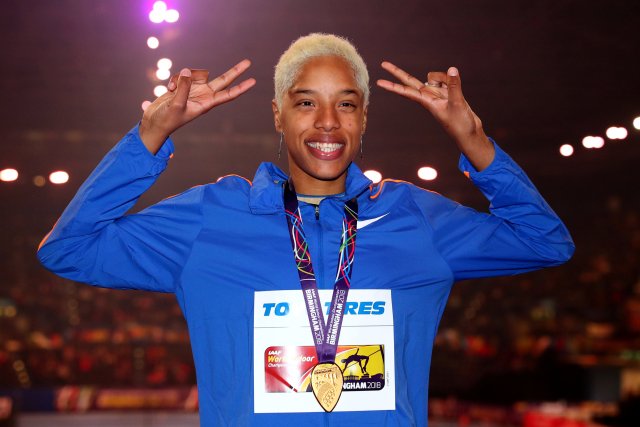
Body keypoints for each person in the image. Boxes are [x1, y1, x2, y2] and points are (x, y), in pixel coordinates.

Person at [37, 33, 574, 426]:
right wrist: (149, 137)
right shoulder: (211, 218)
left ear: (364, 119)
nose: (326, 122)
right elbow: (68, 250)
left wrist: (475, 142)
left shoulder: (417, 220)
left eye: (346, 104)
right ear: (277, 115)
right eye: (305, 103)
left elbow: (545, 241)